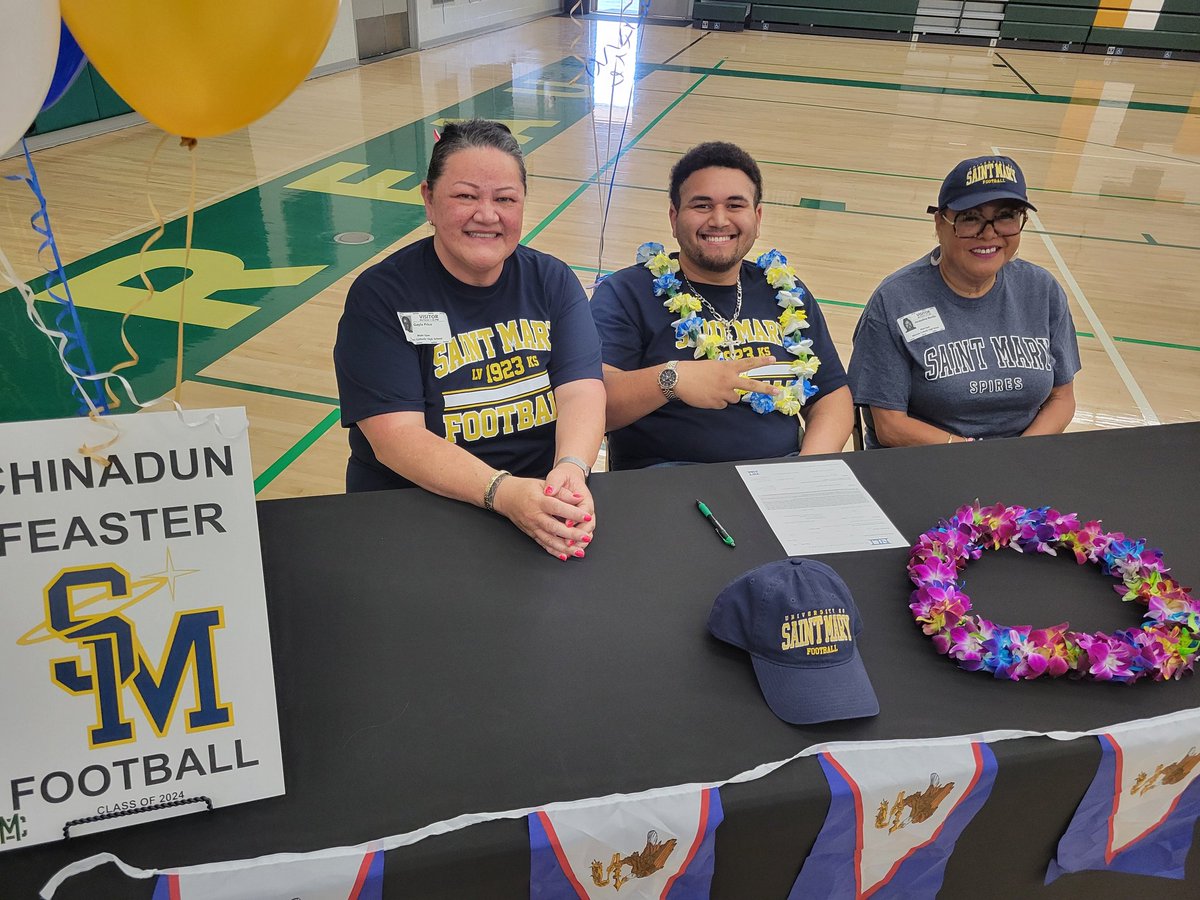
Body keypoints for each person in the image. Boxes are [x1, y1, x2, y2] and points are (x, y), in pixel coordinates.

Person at [334, 120, 606, 560]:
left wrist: (571, 468)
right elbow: (398, 437)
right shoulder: (382, 296)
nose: (487, 214)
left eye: (505, 199)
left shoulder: (551, 280)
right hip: (414, 507)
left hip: (538, 497)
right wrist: (503, 492)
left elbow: (581, 391)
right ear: (428, 199)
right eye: (465, 196)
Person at [590, 142, 853, 469]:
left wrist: (806, 468)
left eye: (735, 205)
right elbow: (592, 406)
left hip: (781, 475)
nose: (718, 220)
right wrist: (672, 380)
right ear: (674, 217)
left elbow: (831, 394)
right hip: (670, 482)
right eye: (701, 205)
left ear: (757, 218)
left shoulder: (785, 292)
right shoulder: (627, 293)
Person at [848, 155, 1081, 447]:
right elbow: (890, 427)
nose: (988, 234)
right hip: (928, 464)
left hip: (1022, 462)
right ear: (940, 223)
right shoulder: (895, 300)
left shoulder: (1042, 290)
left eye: (1006, 216)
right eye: (970, 218)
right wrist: (972, 457)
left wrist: (1020, 454)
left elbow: (1062, 397)